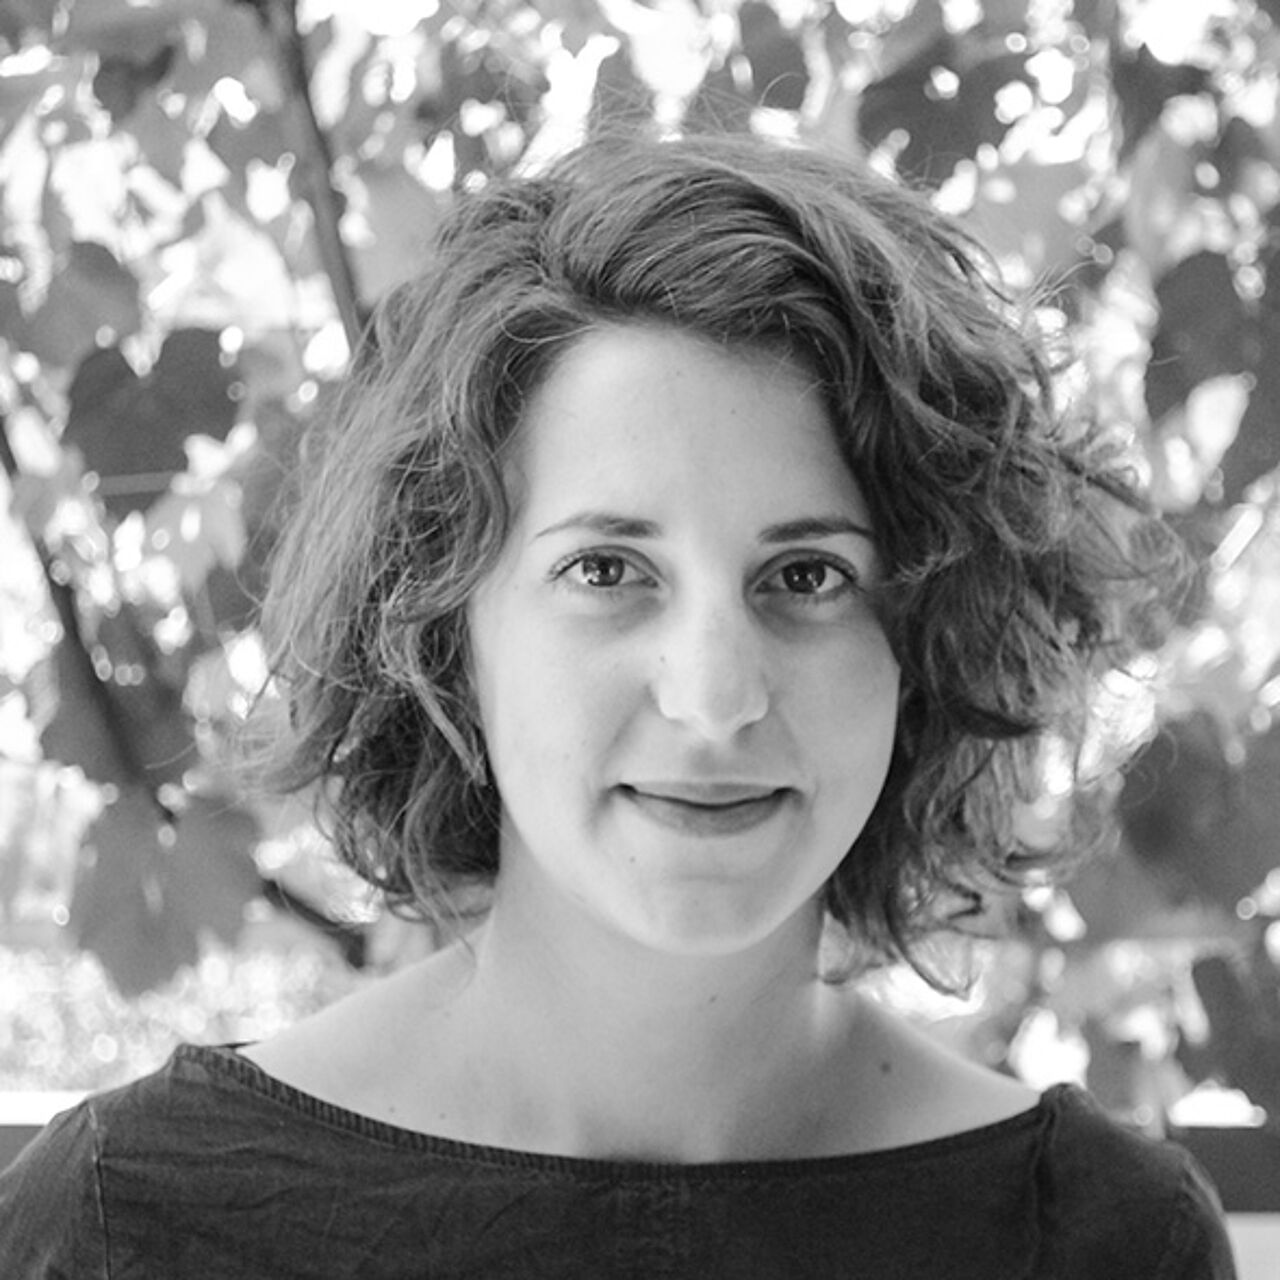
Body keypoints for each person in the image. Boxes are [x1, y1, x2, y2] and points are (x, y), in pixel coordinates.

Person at [0, 131, 1236, 1277]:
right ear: (441, 625)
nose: (713, 696)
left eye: (807, 575)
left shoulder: (1107, 1242)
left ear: (927, 640)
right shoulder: (122, 1225)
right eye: (605, 570)